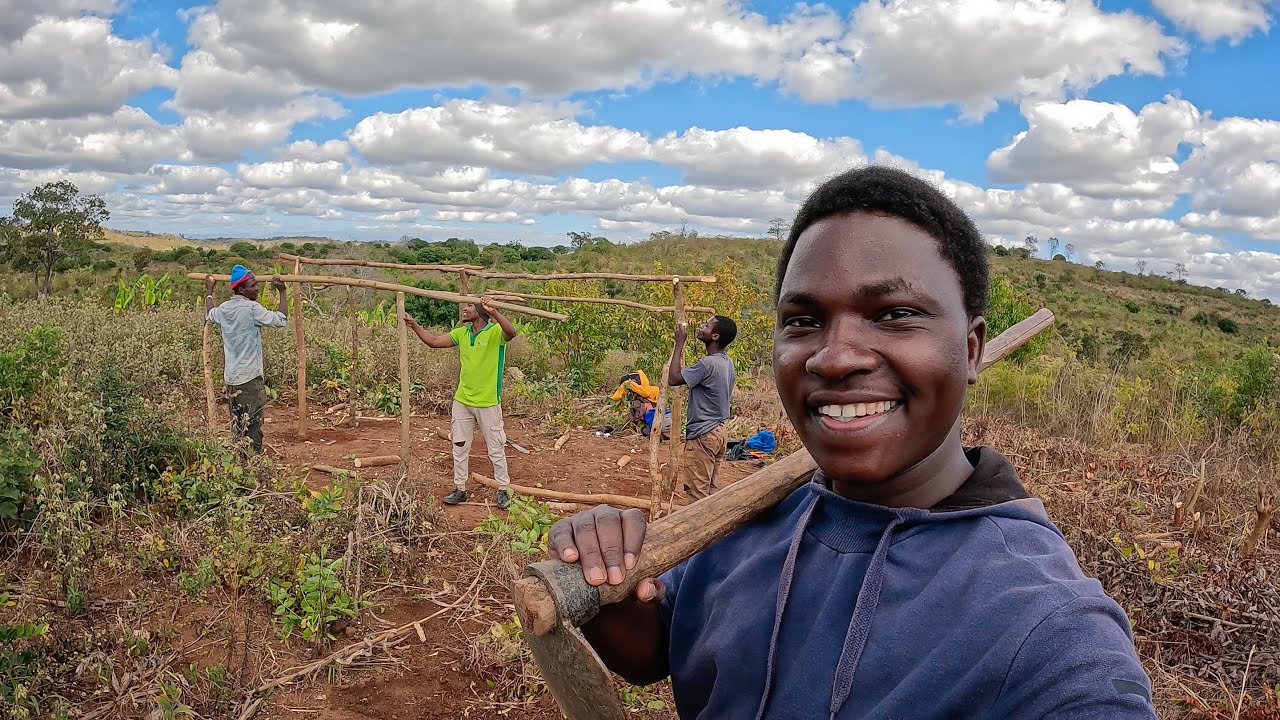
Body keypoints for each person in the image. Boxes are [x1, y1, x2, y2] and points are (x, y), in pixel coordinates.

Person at [545, 166, 1156, 719]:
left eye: (894, 314)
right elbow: (657, 648)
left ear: (970, 349)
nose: (834, 359)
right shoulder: (748, 520)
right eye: (803, 321)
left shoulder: (1046, 627)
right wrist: (609, 585)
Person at [403, 296, 517, 510]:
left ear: (481, 312)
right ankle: (460, 488)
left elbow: (511, 332)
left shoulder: (494, 332)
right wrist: (414, 326)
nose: (464, 309)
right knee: (459, 444)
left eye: (469, 306)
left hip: (487, 401)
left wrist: (494, 311)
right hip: (462, 400)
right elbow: (434, 342)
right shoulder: (462, 334)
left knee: (495, 446)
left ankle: (503, 489)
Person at [204, 265, 288, 454]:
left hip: (232, 379)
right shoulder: (252, 308)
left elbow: (210, 314)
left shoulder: (225, 308)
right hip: (250, 379)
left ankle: (239, 464)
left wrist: (209, 291)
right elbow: (281, 319)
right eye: (253, 285)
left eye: (256, 284)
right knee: (253, 427)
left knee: (238, 424)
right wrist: (282, 291)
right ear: (241, 289)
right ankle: (252, 465)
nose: (257, 288)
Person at [668, 315, 737, 499]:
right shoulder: (726, 362)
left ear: (715, 337)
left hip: (704, 434)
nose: (701, 327)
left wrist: (679, 343)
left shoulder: (707, 364)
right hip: (719, 432)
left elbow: (673, 379)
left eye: (706, 326)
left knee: (696, 496)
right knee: (710, 494)